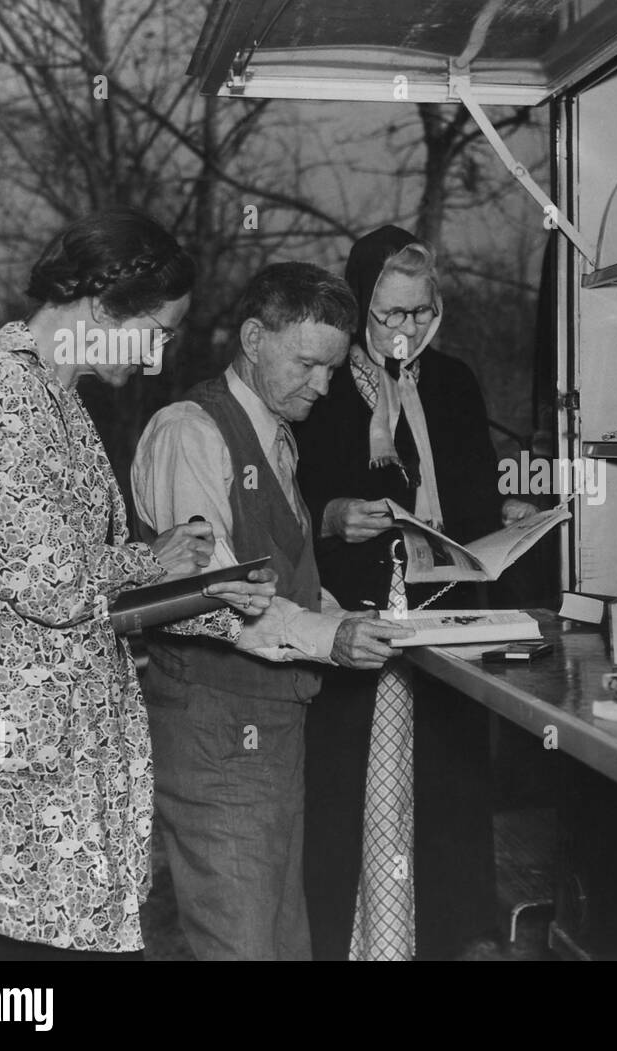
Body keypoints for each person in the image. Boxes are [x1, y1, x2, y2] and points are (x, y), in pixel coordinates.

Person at [0, 208, 277, 961]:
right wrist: (155, 560)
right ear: (105, 308)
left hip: (47, 802)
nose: (161, 355)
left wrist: (212, 599)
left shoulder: (57, 397)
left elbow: (88, 589)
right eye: (161, 331)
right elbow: (48, 581)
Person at [130, 261, 411, 961]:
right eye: (309, 363)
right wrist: (331, 635)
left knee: (285, 942)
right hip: (213, 735)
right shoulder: (188, 432)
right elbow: (220, 597)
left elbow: (283, 575)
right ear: (254, 337)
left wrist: (351, 617)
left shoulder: (278, 434)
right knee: (242, 945)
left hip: (275, 732)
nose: (322, 385)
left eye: (333, 369)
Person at [295, 226, 537, 960]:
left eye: (420, 313)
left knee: (449, 786)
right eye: (390, 315)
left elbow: (468, 491)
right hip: (360, 610)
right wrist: (335, 516)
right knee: (359, 789)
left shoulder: (456, 381)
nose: (406, 330)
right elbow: (291, 500)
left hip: (451, 606)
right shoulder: (327, 384)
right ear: (361, 308)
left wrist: (504, 515)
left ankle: (454, 939)